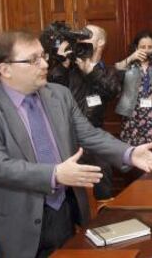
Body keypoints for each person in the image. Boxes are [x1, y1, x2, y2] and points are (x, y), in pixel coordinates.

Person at [0, 31, 152, 258]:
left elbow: (89, 134)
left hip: (65, 213)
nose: (45, 64)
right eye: (33, 60)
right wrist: (54, 174)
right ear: (5, 70)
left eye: (43, 56)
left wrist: (128, 152)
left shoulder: (60, 95)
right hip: (15, 226)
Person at [48, 25, 121, 200]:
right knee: (71, 198)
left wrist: (90, 71)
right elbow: (53, 91)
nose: (82, 39)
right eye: (80, 36)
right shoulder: (69, 70)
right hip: (67, 141)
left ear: (101, 42)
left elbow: (111, 91)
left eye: (88, 36)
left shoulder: (108, 71)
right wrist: (62, 65)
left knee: (101, 193)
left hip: (95, 143)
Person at [115, 30, 152, 162]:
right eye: (143, 47)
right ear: (136, 48)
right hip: (132, 117)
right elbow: (113, 73)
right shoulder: (129, 64)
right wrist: (131, 58)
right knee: (133, 157)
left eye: (150, 47)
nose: (146, 50)